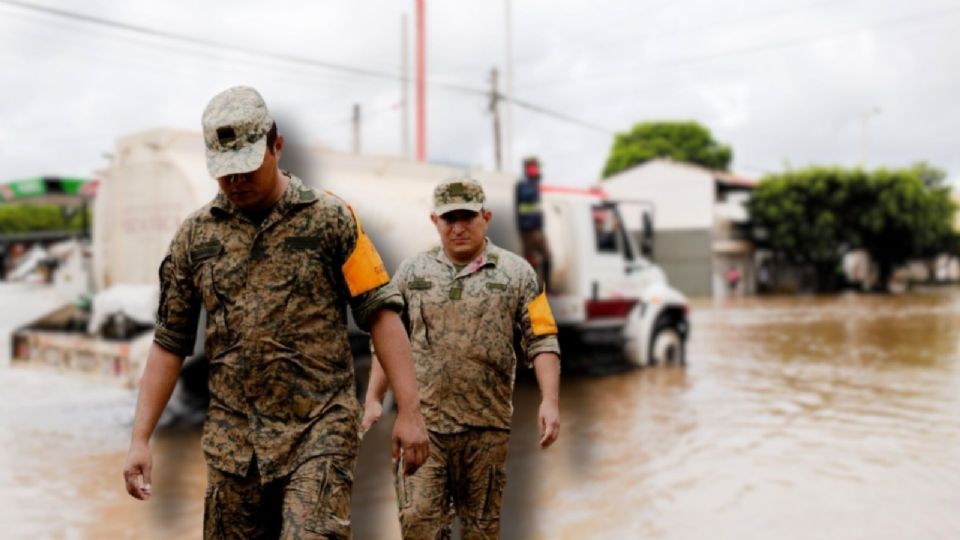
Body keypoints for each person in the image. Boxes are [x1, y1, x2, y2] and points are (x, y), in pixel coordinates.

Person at [121, 85, 429, 539]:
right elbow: (169, 343)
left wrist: (410, 411)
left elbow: (382, 315)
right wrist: (140, 439)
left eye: (246, 167)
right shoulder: (194, 240)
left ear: (276, 146)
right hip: (233, 443)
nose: (236, 181)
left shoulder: (331, 220)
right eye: (225, 173)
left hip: (319, 430)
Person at [362, 178, 561, 539]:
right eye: (448, 218)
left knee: (481, 530)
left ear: (485, 217)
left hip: (487, 428)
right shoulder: (412, 272)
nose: (458, 227)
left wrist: (549, 401)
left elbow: (543, 337)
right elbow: (389, 342)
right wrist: (374, 398)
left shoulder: (518, 274)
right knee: (419, 522)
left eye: (467, 217)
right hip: (423, 427)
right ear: (434, 221)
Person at [515, 157, 552, 291]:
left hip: (537, 227)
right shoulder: (523, 183)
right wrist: (534, 180)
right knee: (531, 260)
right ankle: (531, 289)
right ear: (528, 168)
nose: (537, 169)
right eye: (534, 167)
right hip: (528, 228)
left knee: (546, 257)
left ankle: (547, 288)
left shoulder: (532, 182)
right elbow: (527, 197)